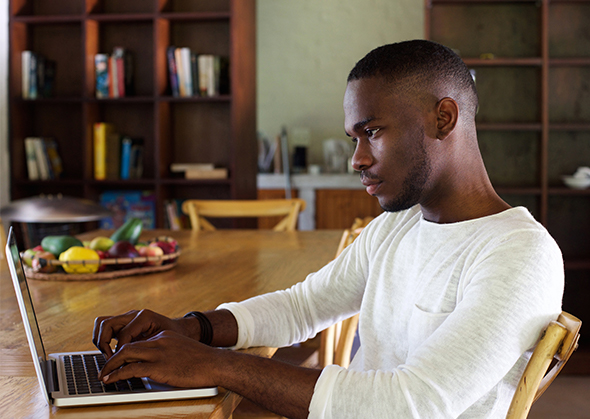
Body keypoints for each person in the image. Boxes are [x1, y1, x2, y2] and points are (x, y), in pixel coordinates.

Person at [93, 40, 564, 418]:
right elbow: (304, 306)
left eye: (372, 132)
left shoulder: (519, 255)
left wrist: (215, 364)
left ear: (444, 118)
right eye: (353, 139)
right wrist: (191, 328)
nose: (357, 159)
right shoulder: (395, 228)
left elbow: (409, 405)